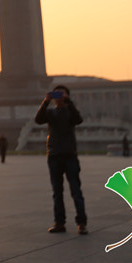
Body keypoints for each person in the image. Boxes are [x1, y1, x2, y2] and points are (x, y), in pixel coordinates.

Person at [34, 85, 88, 235]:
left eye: (61, 94)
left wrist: (69, 102)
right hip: (54, 155)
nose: (58, 96)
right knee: (57, 192)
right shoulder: (50, 112)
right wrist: (45, 102)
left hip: (70, 155)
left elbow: (78, 120)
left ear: (67, 96)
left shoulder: (71, 111)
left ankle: (82, 223)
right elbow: (38, 120)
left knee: (76, 191)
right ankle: (59, 222)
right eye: (56, 94)